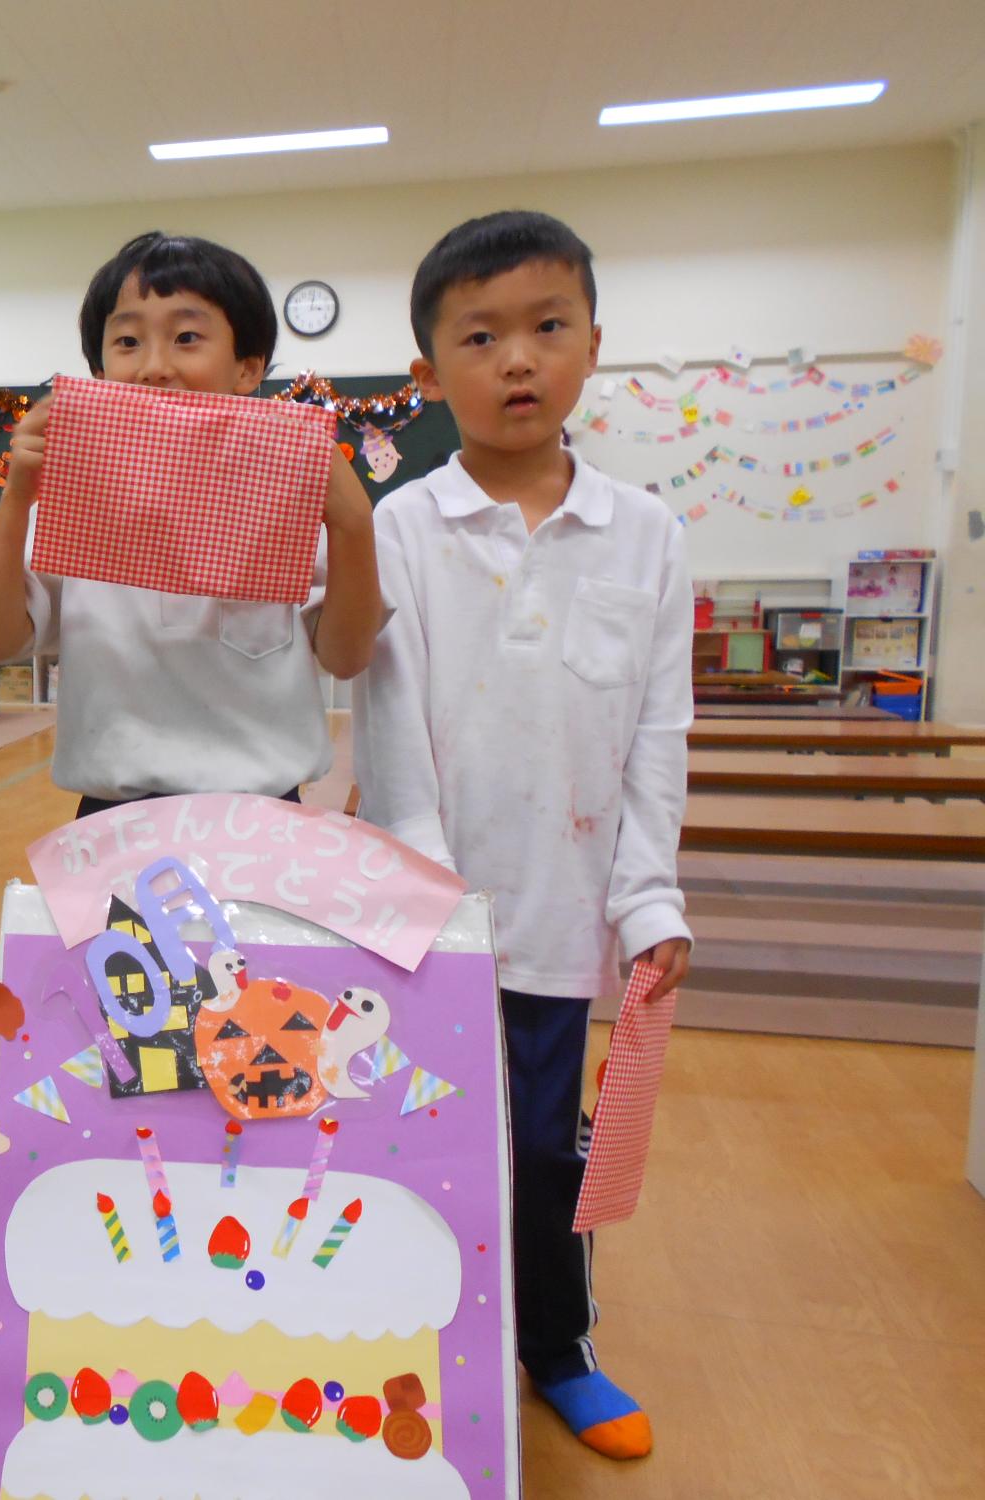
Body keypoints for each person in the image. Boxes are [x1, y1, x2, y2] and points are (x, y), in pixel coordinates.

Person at [354, 209, 693, 1460]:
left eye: (545, 329)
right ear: (429, 370)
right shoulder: (400, 529)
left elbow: (656, 734)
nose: (515, 361)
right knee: (410, 1142)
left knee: (549, 1159)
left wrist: (646, 902)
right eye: (479, 336)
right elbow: (391, 734)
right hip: (425, 921)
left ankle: (555, 1348)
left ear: (591, 344)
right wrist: (428, 902)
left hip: (560, 913)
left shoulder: (646, 534)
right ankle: (404, 1348)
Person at [0, 230, 382, 815]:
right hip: (112, 819)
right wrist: (16, 500)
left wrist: (353, 524)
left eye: (187, 338)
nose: (155, 368)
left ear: (247, 367)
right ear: (100, 369)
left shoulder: (281, 493)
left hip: (265, 817)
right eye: (127, 341)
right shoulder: (81, 500)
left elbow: (345, 656)